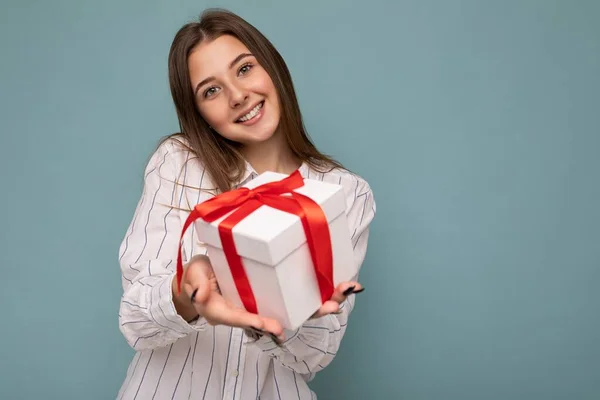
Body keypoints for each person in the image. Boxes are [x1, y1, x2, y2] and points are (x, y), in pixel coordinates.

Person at [116, 8, 376, 400]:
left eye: (244, 69)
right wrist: (189, 294)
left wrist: (288, 315)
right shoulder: (179, 162)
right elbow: (135, 320)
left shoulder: (345, 192)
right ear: (199, 112)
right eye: (211, 90)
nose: (238, 96)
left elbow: (314, 357)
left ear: (272, 67)